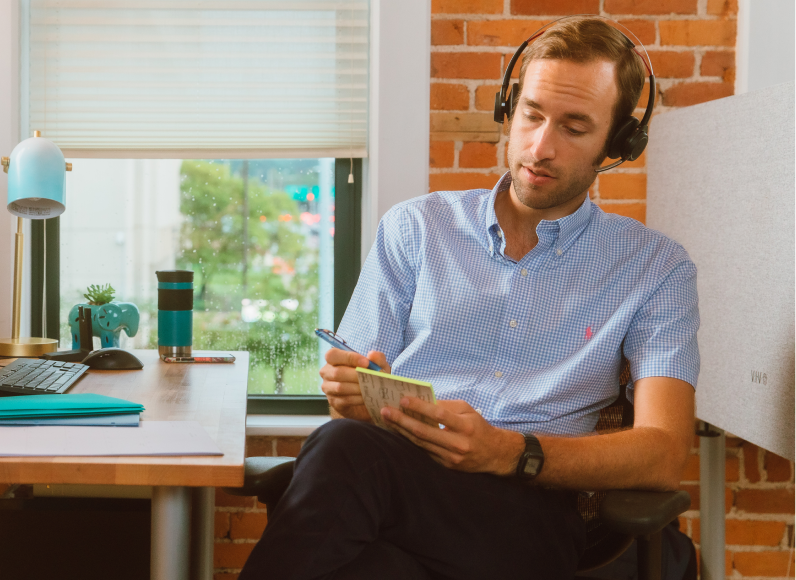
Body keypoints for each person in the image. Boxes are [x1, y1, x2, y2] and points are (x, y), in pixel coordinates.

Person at [239, 16, 699, 580]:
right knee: (364, 528)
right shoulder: (416, 227)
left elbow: (665, 453)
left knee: (345, 463)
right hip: (400, 484)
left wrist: (509, 451)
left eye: (575, 127)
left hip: (529, 512)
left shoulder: (656, 267)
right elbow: (352, 405)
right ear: (509, 107)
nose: (540, 146)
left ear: (618, 144)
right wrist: (351, 394)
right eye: (531, 114)